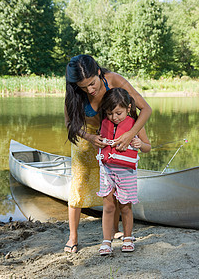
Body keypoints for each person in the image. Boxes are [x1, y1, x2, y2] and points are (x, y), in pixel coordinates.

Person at [64, 54, 152, 253]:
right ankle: (73, 236)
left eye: (92, 84)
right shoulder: (74, 91)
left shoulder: (114, 80)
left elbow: (145, 109)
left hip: (114, 138)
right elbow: (70, 124)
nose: (90, 90)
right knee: (79, 185)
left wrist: (130, 135)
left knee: (114, 190)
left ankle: (114, 231)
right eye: (83, 87)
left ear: (98, 72)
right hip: (87, 138)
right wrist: (89, 137)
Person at [96, 88, 151, 255]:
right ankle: (107, 241)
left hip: (126, 172)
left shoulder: (135, 124)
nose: (114, 117)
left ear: (128, 108)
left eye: (118, 113)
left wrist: (139, 145)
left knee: (125, 207)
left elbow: (148, 147)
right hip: (107, 170)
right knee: (108, 206)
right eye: (110, 113)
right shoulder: (104, 123)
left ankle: (127, 238)